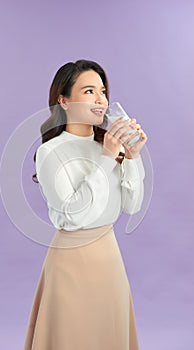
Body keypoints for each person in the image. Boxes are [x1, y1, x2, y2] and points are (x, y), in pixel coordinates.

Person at [24, 59, 147, 350]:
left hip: (109, 255)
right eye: (89, 91)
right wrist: (106, 158)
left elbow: (132, 205)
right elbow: (72, 216)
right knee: (72, 336)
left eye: (102, 91)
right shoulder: (50, 152)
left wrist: (132, 157)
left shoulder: (109, 145)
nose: (100, 99)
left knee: (109, 334)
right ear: (64, 100)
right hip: (70, 259)